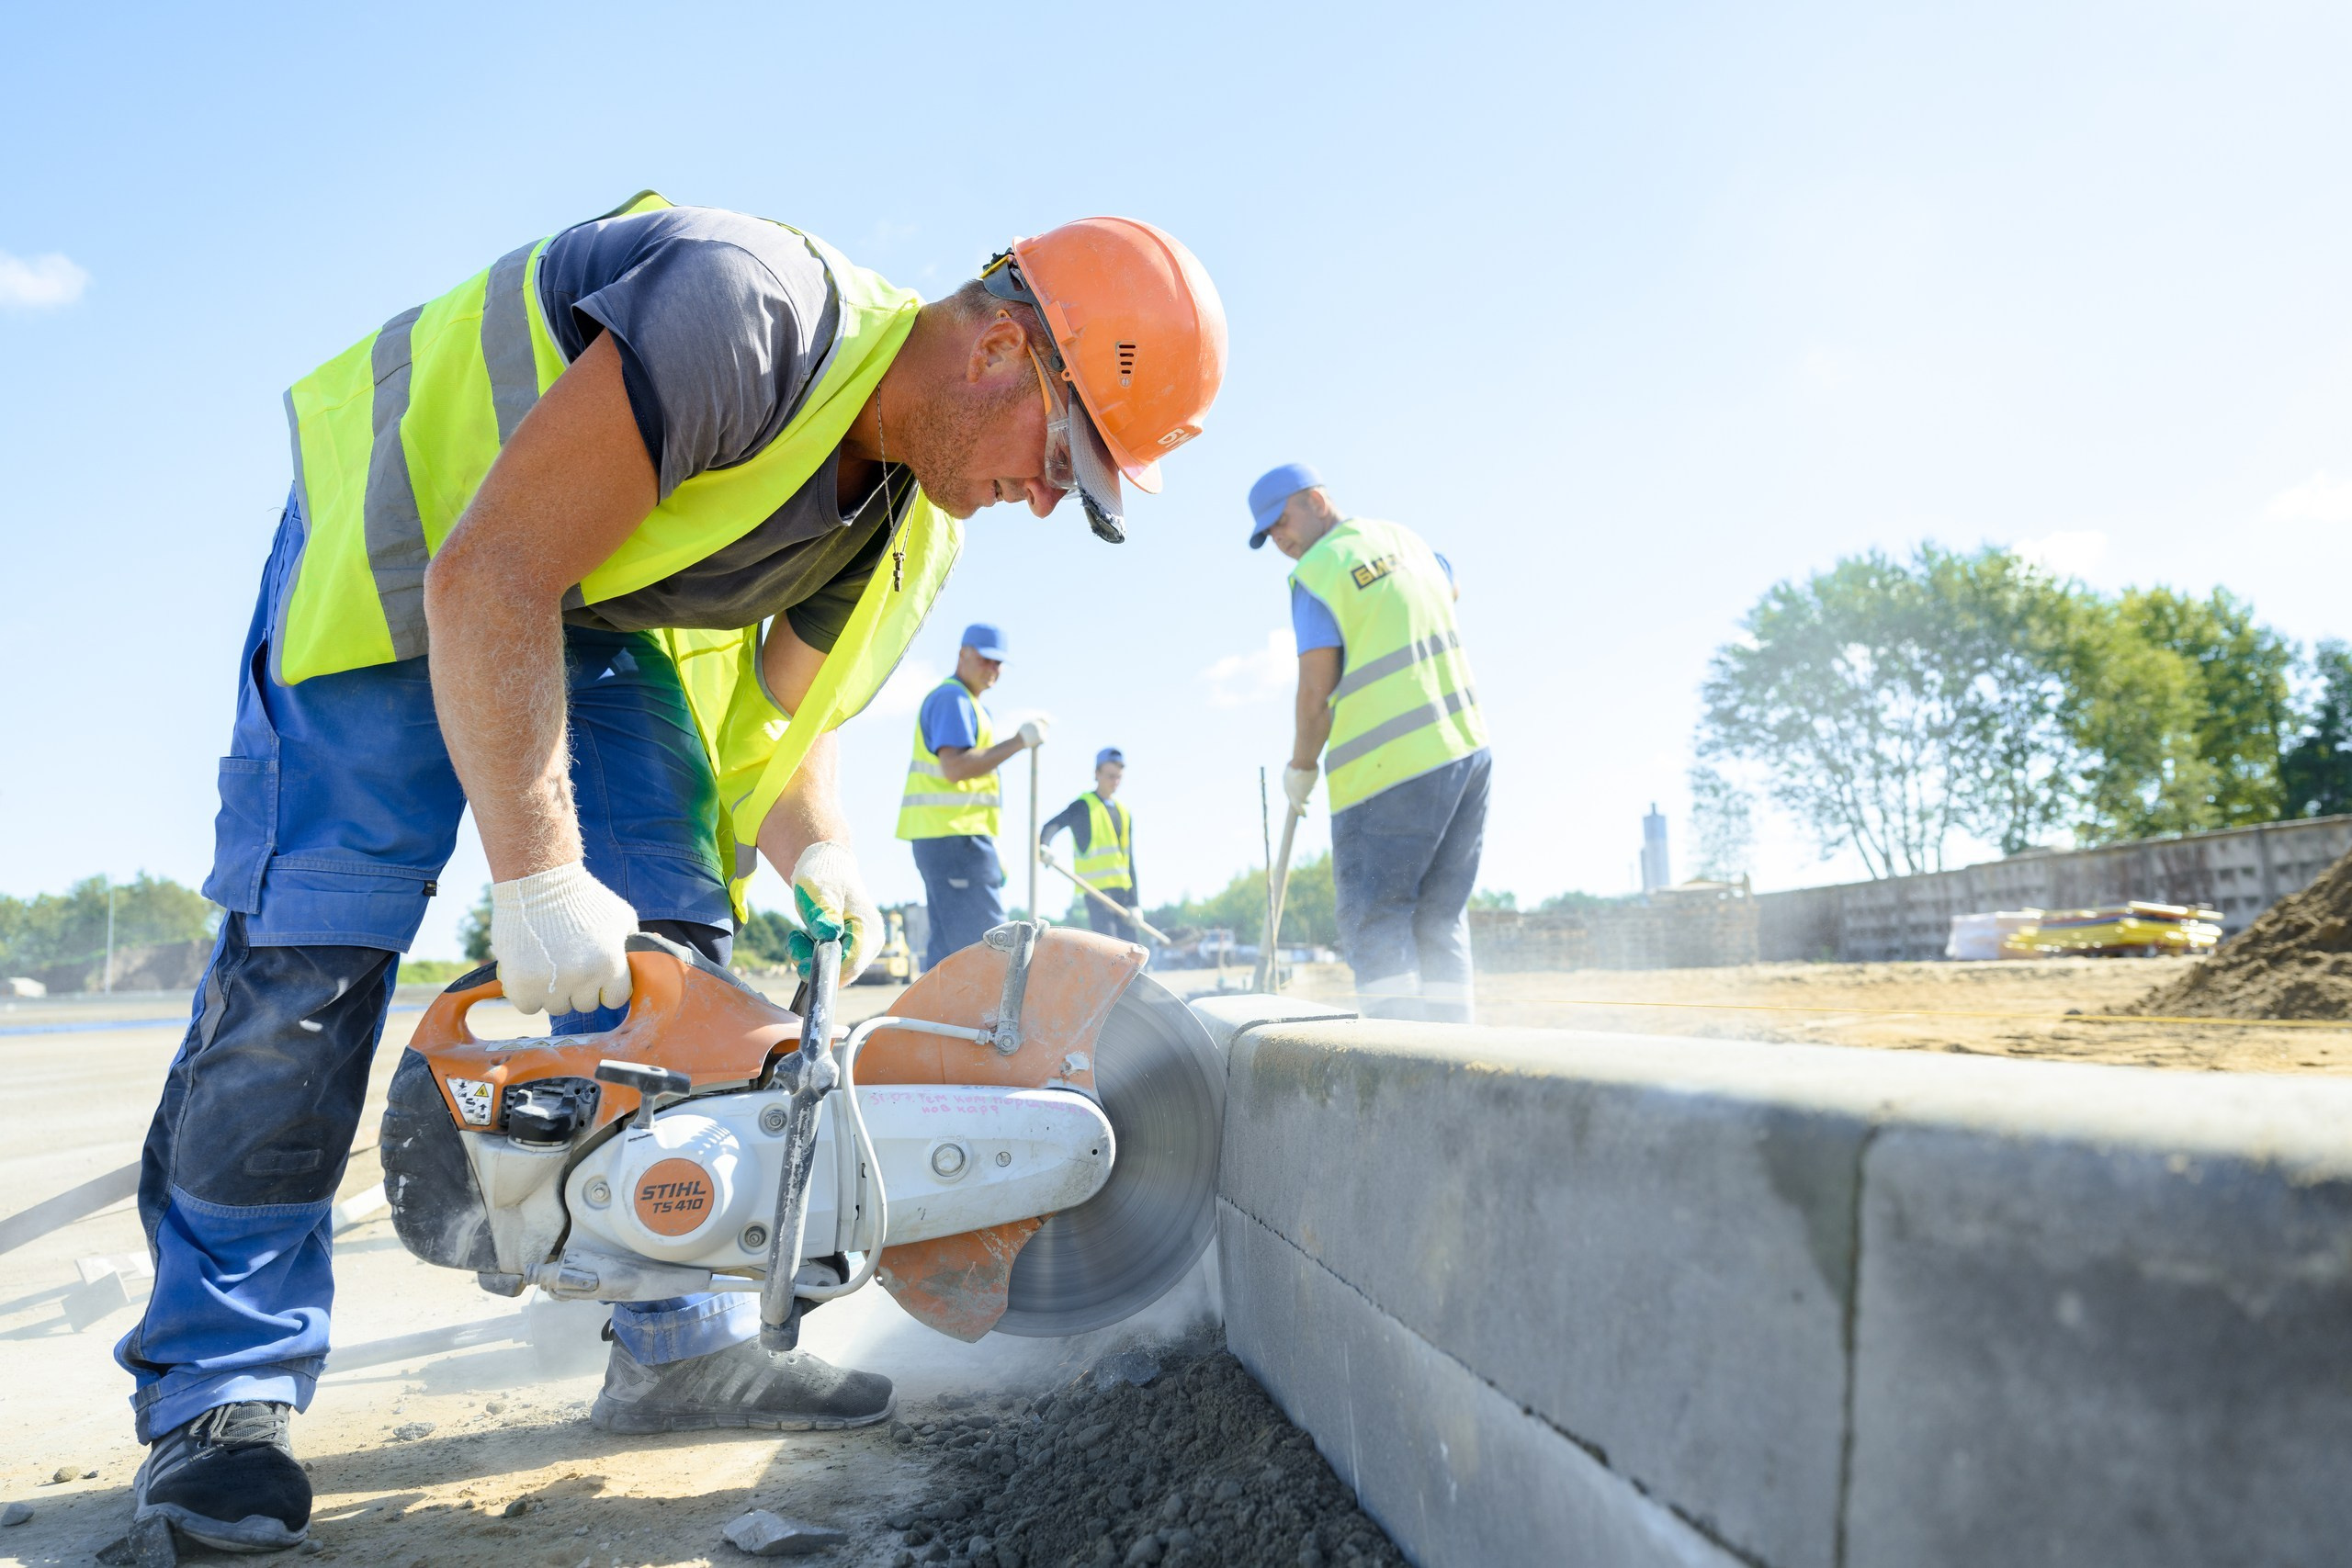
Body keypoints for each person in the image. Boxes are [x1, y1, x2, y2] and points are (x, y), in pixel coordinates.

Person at [120, 193, 1226, 1555]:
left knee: (675, 948)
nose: (1051, 498)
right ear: (1003, 347)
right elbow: (489, 573)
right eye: (1064, 453)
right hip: (407, 538)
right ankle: (219, 1393)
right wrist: (536, 876)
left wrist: (819, 847)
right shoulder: (746, 311)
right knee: (311, 960)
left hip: (584, 602)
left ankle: (674, 1339)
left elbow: (781, 728)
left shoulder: (916, 518)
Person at [1248, 463, 1489, 1024]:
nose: (1278, 539)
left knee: (1374, 918)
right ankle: (1456, 1054)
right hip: (1466, 753)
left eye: (1281, 521)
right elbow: (1450, 586)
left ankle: (1394, 1060)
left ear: (1316, 501)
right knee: (1439, 919)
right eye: (1268, 533)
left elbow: (1315, 693)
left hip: (1387, 769)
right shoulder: (1407, 541)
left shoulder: (1317, 572)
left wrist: (1301, 766)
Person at [898, 624, 1045, 965]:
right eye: (985, 659)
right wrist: (1018, 742)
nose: (992, 668)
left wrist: (988, 846)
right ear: (963, 654)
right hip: (954, 839)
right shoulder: (953, 699)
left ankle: (937, 1003)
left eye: (998, 663)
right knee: (990, 953)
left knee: (951, 954)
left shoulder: (969, 705)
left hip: (952, 840)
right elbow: (956, 768)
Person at [1043, 747, 1142, 943]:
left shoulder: (1124, 812)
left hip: (1123, 895)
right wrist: (1044, 845)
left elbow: (1129, 861)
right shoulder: (1083, 805)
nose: (1115, 782)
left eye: (1119, 777)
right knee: (1110, 947)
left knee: (1134, 949)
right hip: (1097, 893)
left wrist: (1135, 903)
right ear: (1097, 774)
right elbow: (1052, 825)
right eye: (1111, 776)